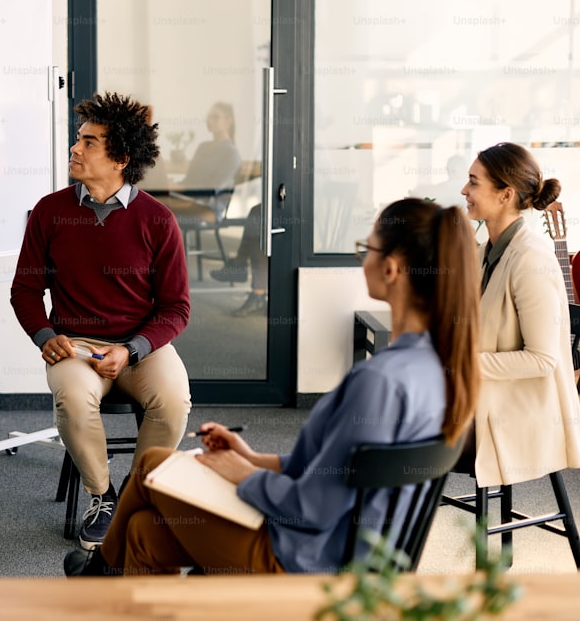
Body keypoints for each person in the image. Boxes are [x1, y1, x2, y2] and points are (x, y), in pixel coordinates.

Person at [65, 197, 480, 575]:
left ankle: (99, 571)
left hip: (306, 562)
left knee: (154, 466)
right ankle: (103, 573)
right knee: (144, 531)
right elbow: (333, 471)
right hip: (361, 556)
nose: (361, 259)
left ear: (391, 269)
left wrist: (243, 473)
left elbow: (312, 508)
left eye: (364, 249)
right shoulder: (438, 368)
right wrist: (253, 457)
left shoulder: (378, 382)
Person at [10, 92, 192, 550]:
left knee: (174, 402)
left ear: (121, 159)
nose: (75, 149)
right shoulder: (49, 212)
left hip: (139, 345)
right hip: (75, 343)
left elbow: (176, 307)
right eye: (78, 139)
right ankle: (102, 497)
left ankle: (138, 494)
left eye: (89, 143)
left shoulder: (158, 221)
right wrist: (45, 336)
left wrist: (132, 349)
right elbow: (25, 291)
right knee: (72, 398)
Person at [458, 142, 580, 486]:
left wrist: (463, 361)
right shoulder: (488, 250)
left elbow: (542, 360)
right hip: (487, 399)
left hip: (521, 413)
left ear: (505, 194)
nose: (464, 190)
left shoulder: (531, 258)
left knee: (401, 433)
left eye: (473, 182)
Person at [154, 101, 242, 230]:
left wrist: (179, 187)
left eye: (215, 117)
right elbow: (189, 180)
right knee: (152, 206)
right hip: (189, 201)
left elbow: (213, 189)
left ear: (228, 121)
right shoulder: (203, 148)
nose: (210, 121)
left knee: (160, 215)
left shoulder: (231, 153)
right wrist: (172, 184)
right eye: (209, 117)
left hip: (209, 208)